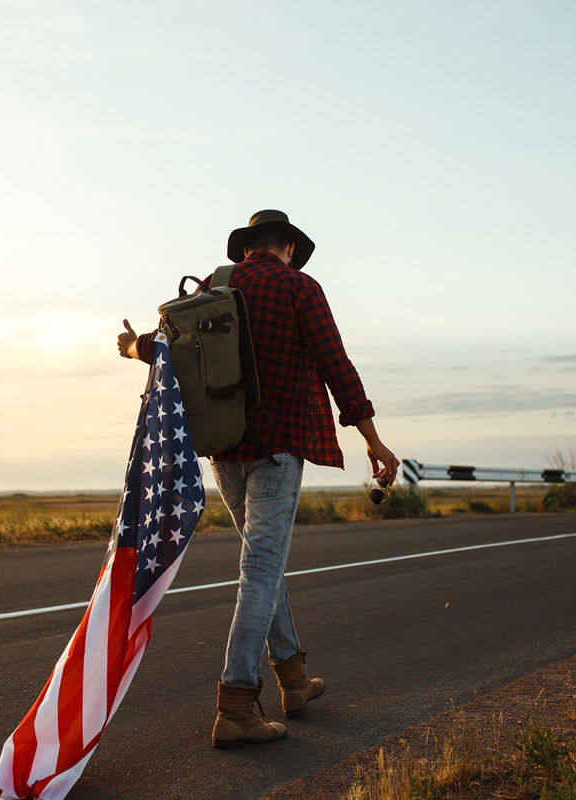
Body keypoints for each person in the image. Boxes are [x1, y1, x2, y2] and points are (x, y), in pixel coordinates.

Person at [116, 209, 399, 748]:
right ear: (288, 247)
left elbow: (167, 351)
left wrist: (133, 346)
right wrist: (371, 439)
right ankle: (237, 705)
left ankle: (293, 680)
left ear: (246, 248)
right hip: (276, 448)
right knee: (261, 569)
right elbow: (336, 365)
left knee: (261, 564)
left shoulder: (216, 289)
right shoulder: (300, 288)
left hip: (224, 449)